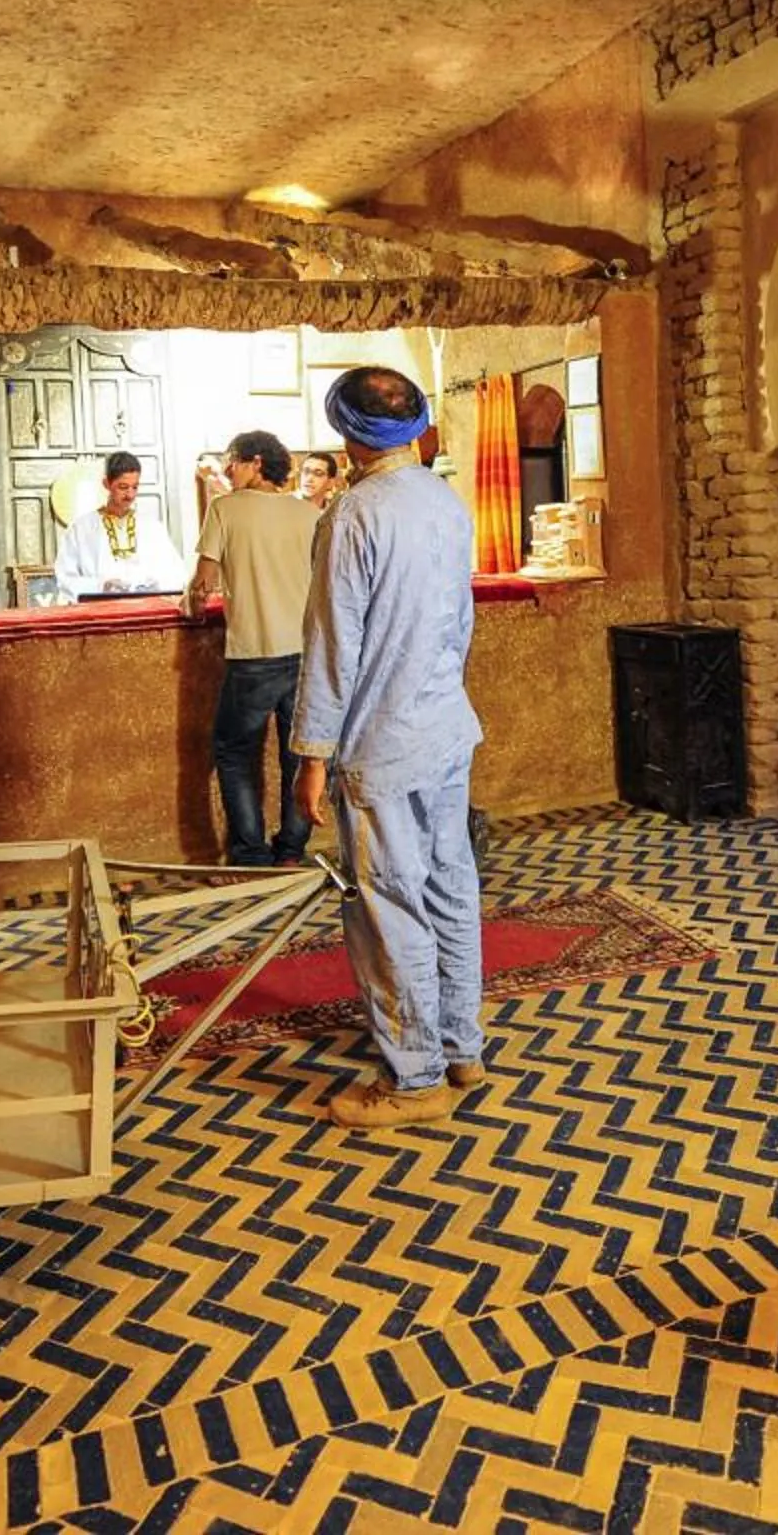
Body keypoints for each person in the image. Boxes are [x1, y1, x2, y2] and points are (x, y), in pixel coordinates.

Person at [291, 367, 487, 1130]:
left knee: (388, 905)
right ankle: (463, 1048)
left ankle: (414, 1081)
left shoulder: (352, 515)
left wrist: (312, 753)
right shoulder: (445, 500)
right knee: (450, 884)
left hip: (381, 740)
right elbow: (459, 626)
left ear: (345, 430)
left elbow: (332, 648)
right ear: (417, 424)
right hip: (445, 725)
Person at [183, 430, 322, 866]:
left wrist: (189, 600)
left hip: (253, 656)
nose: (227, 471)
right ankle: (292, 851)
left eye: (234, 462)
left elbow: (201, 587)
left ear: (256, 462)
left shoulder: (224, 510)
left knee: (234, 754)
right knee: (298, 754)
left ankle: (249, 854)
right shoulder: (309, 515)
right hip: (305, 654)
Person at [51, 451, 186, 597]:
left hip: (146, 608)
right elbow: (65, 579)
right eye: (123, 487)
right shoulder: (80, 529)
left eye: (135, 487)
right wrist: (101, 585)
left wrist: (153, 583)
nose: (130, 495)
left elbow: (177, 573)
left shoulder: (152, 527)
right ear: (106, 484)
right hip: (101, 612)